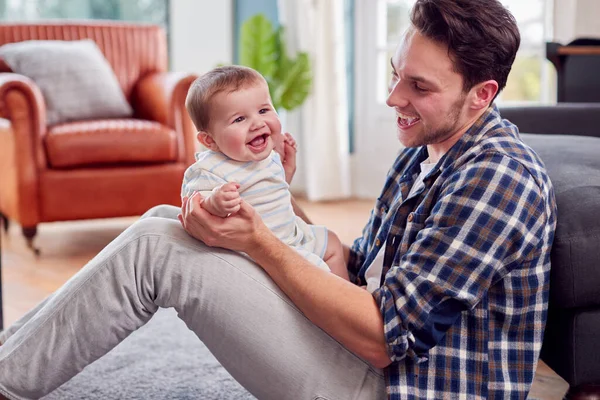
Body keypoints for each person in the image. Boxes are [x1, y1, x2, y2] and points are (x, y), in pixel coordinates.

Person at [0, 0, 556, 399]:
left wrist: (260, 240)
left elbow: (387, 338)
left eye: (420, 87)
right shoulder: (429, 149)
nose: (393, 98)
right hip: (363, 352)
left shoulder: (496, 180)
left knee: (156, 248)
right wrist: (278, 198)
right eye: (396, 75)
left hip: (395, 385)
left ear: (482, 94)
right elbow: (355, 269)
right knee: (165, 221)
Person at [181, 65, 348, 279]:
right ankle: (333, 303)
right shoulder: (210, 168)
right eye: (239, 119)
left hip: (291, 234)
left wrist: (284, 174)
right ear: (210, 140)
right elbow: (193, 205)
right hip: (257, 254)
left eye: (263, 110)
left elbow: (269, 191)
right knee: (319, 272)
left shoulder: (266, 155)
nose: (257, 123)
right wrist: (214, 202)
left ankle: (349, 291)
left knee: (331, 241)